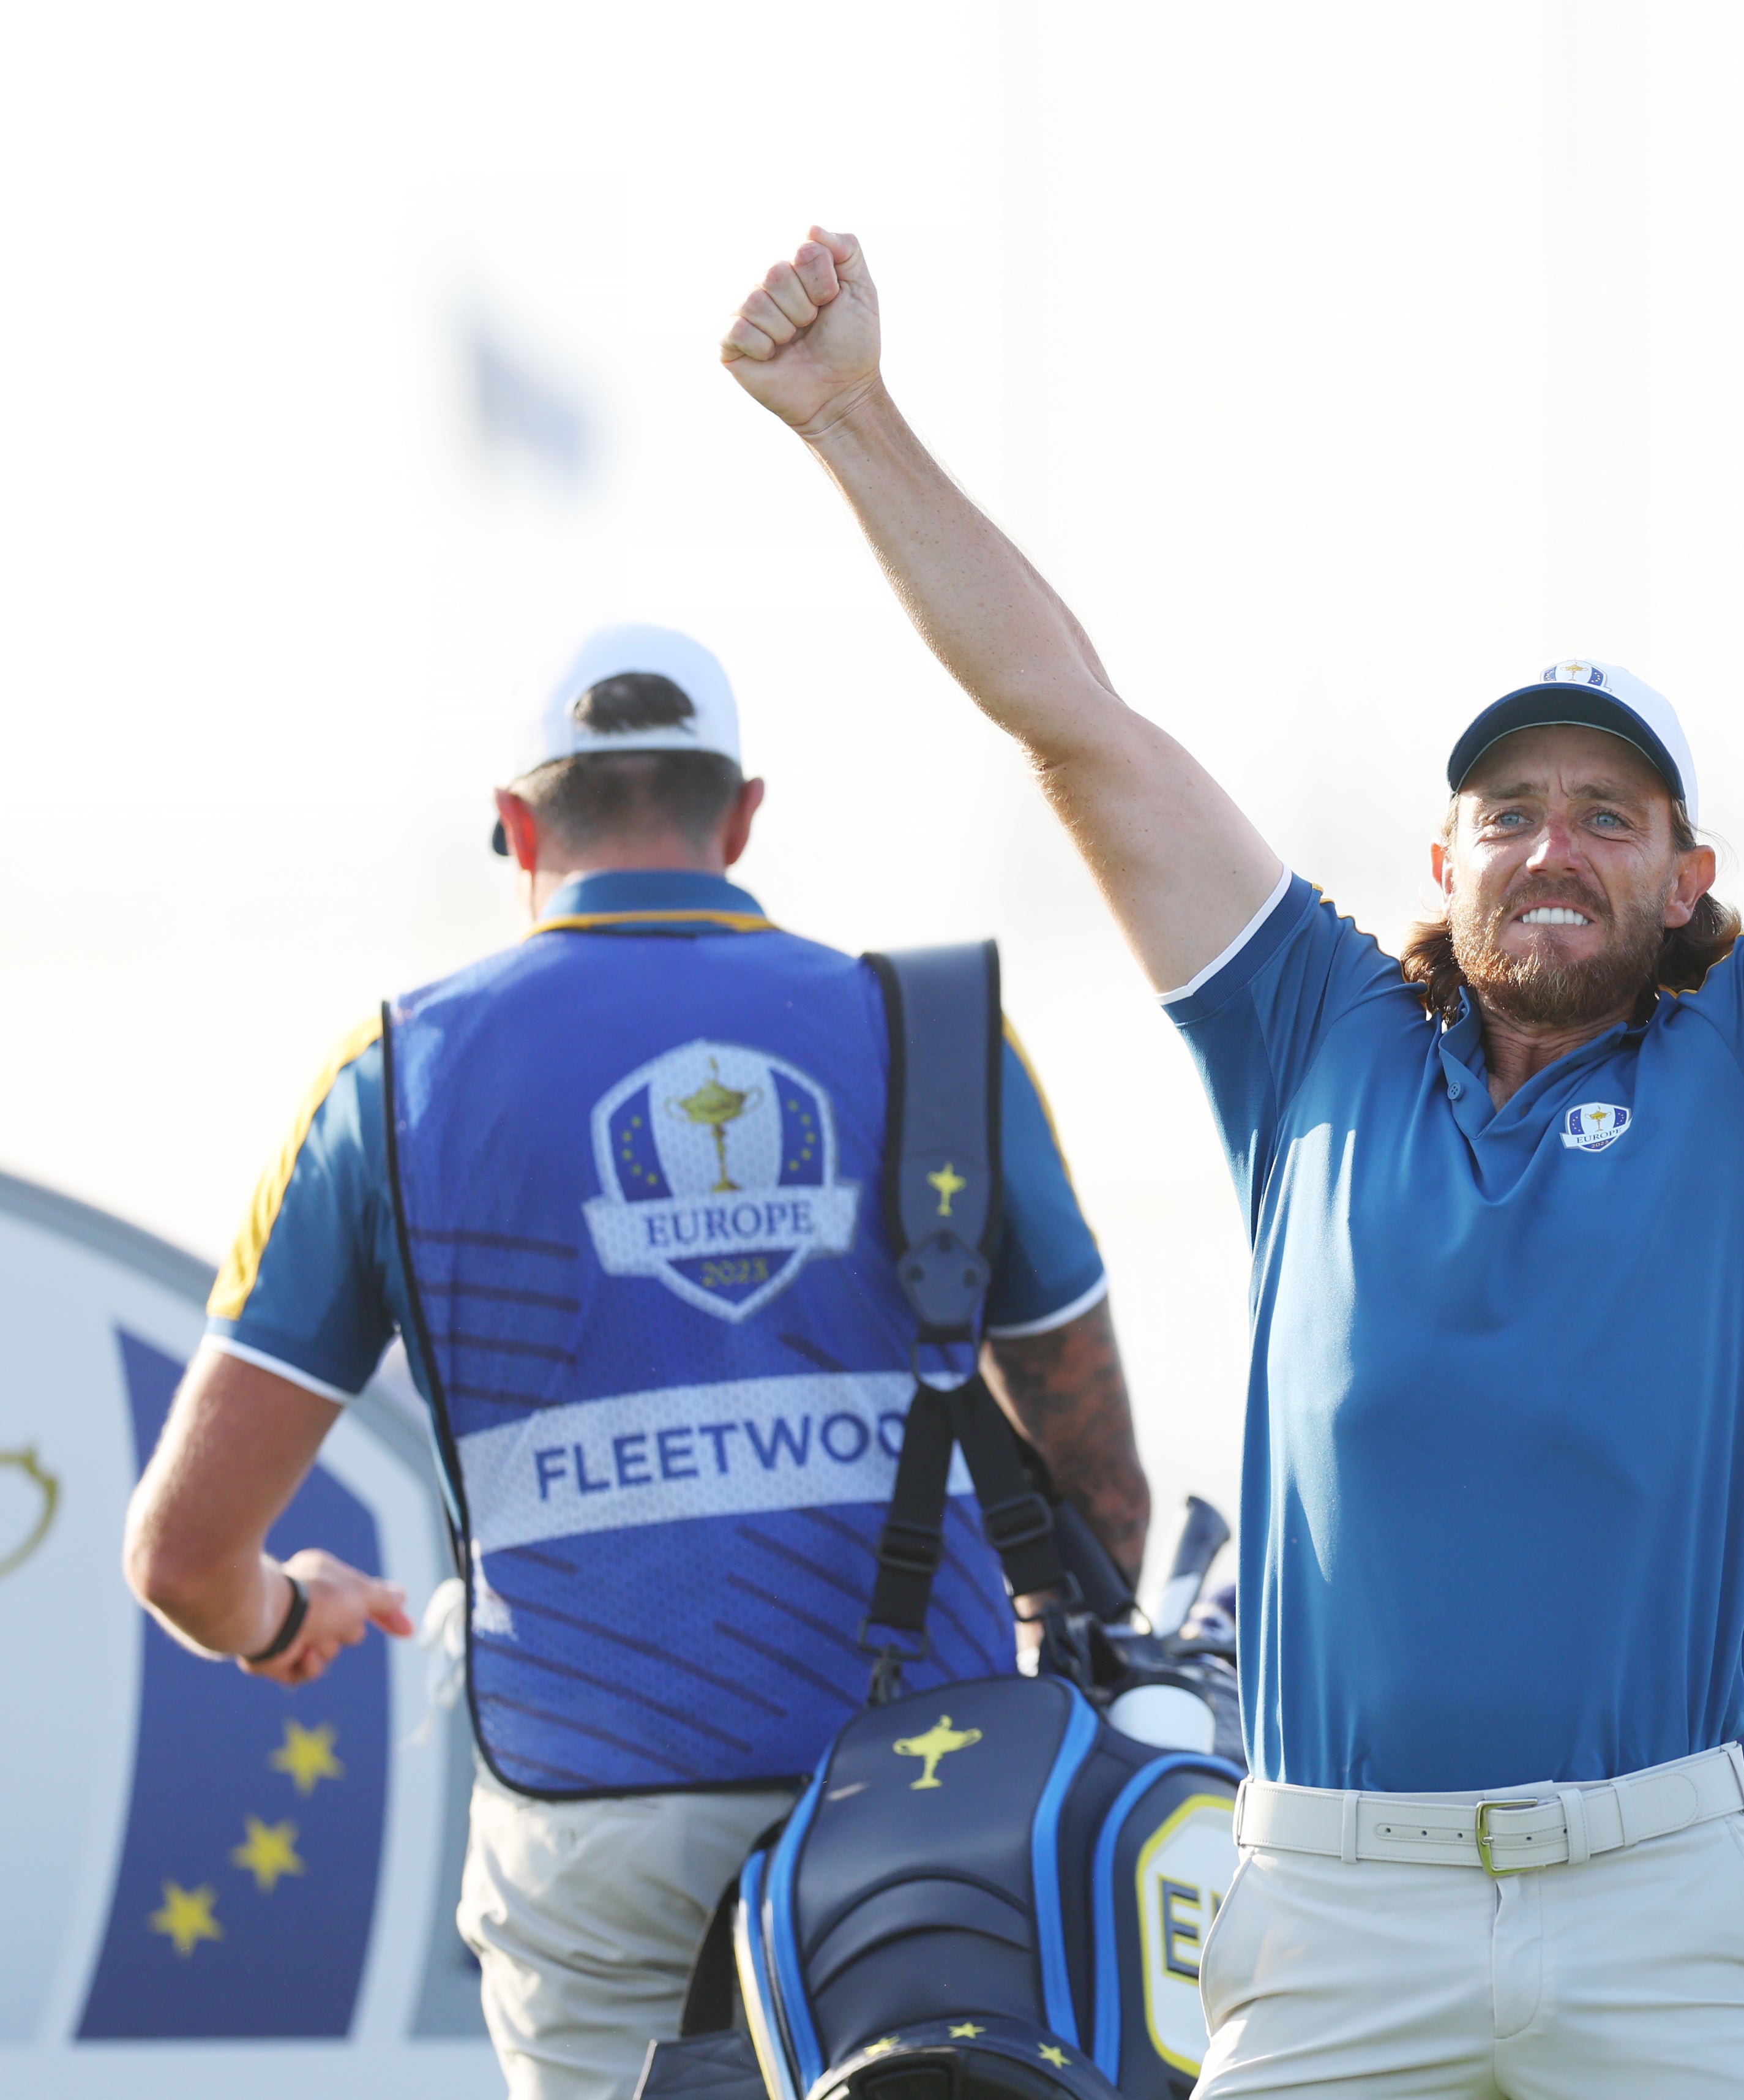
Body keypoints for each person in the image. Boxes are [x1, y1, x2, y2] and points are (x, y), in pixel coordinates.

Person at [719, 207, 1744, 2095]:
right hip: (1329, 1905)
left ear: (1690, 875)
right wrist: (850, 413)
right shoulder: (1310, 1034)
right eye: (1508, 809)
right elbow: (1074, 725)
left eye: (1610, 811)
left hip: (1658, 1898)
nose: (1554, 843)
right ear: (1440, 863)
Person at [120, 625, 1147, 2100]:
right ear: (741, 818)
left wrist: (280, 1611)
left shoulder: (394, 1074)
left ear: (521, 828)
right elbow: (1097, 1481)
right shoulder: (940, 1032)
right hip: (933, 1804)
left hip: (591, 1820)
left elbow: (179, 1554)